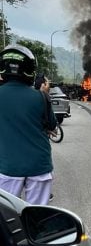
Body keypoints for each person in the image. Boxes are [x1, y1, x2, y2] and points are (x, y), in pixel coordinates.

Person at [0, 45, 57, 205]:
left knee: (7, 218)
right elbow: (52, 126)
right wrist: (45, 94)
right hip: (39, 166)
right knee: (38, 216)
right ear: (30, 70)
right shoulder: (41, 97)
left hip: (8, 167)